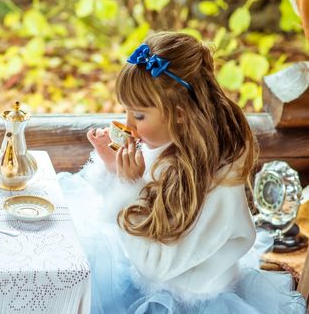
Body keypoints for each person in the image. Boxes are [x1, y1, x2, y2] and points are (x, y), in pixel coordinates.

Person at [58, 32, 306, 313]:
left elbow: (156, 265)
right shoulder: (170, 142)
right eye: (126, 111)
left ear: (178, 114)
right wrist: (115, 169)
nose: (128, 124)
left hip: (180, 297)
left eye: (138, 115)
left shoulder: (211, 182)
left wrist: (127, 187)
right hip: (144, 265)